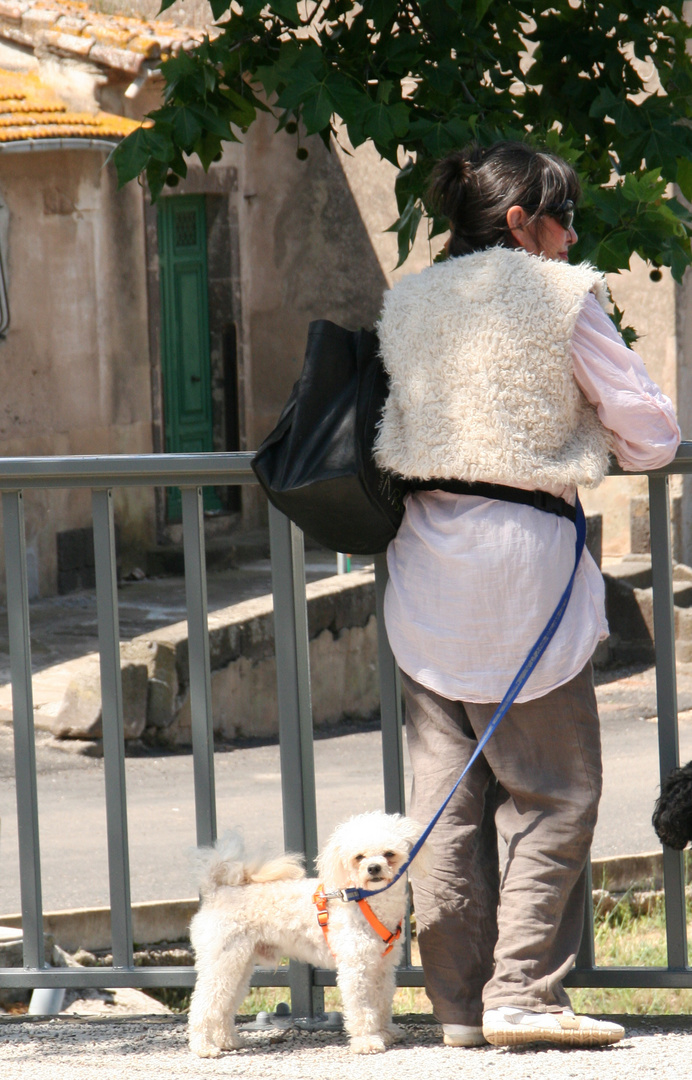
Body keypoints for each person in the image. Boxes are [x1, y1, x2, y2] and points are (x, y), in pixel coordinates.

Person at [373, 141, 681, 1048]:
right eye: (566, 216)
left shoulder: (413, 300)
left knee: (444, 804)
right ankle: (525, 995)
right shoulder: (559, 295)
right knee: (554, 791)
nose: (574, 233)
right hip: (521, 569)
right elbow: (653, 434)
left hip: (423, 566)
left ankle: (459, 1012)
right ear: (521, 221)